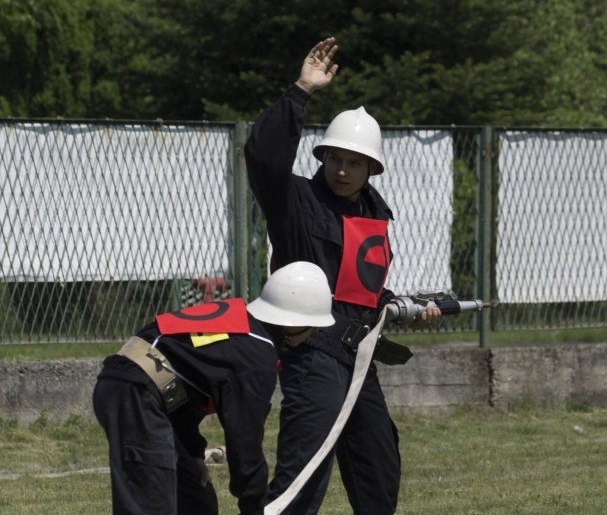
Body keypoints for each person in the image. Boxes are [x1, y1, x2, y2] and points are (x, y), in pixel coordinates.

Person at [244, 37, 441, 514]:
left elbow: (357, 287)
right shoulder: (297, 202)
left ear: (371, 168)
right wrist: (300, 92)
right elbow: (263, 159)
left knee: (379, 470)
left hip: (359, 357)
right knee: (303, 479)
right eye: (335, 158)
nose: (342, 169)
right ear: (323, 157)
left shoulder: (374, 214)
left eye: (354, 162)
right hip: (312, 354)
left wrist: (406, 304)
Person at [92, 261, 335, 515]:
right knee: (152, 506)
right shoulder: (256, 356)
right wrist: (255, 507)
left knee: (197, 503)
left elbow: (183, 379)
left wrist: (194, 452)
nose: (312, 335)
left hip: (131, 386)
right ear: (295, 322)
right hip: (135, 393)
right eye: (313, 327)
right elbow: (245, 444)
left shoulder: (240, 326)